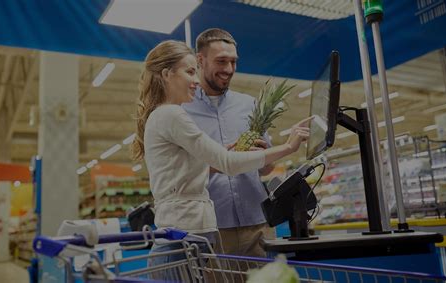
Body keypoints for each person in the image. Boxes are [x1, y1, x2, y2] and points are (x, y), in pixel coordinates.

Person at [131, 40, 311, 275]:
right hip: (184, 233)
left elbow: (188, 168)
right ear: (166, 74)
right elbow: (227, 163)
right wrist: (288, 146)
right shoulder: (173, 114)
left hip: (185, 232)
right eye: (189, 72)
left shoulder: (163, 115)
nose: (196, 81)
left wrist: (224, 154)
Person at [182, 28, 277, 258]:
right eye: (221, 61)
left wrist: (264, 156)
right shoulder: (182, 110)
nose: (229, 69)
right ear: (200, 60)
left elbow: (267, 169)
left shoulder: (249, 105)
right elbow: (180, 174)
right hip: (211, 231)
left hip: (258, 225)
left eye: (233, 61)